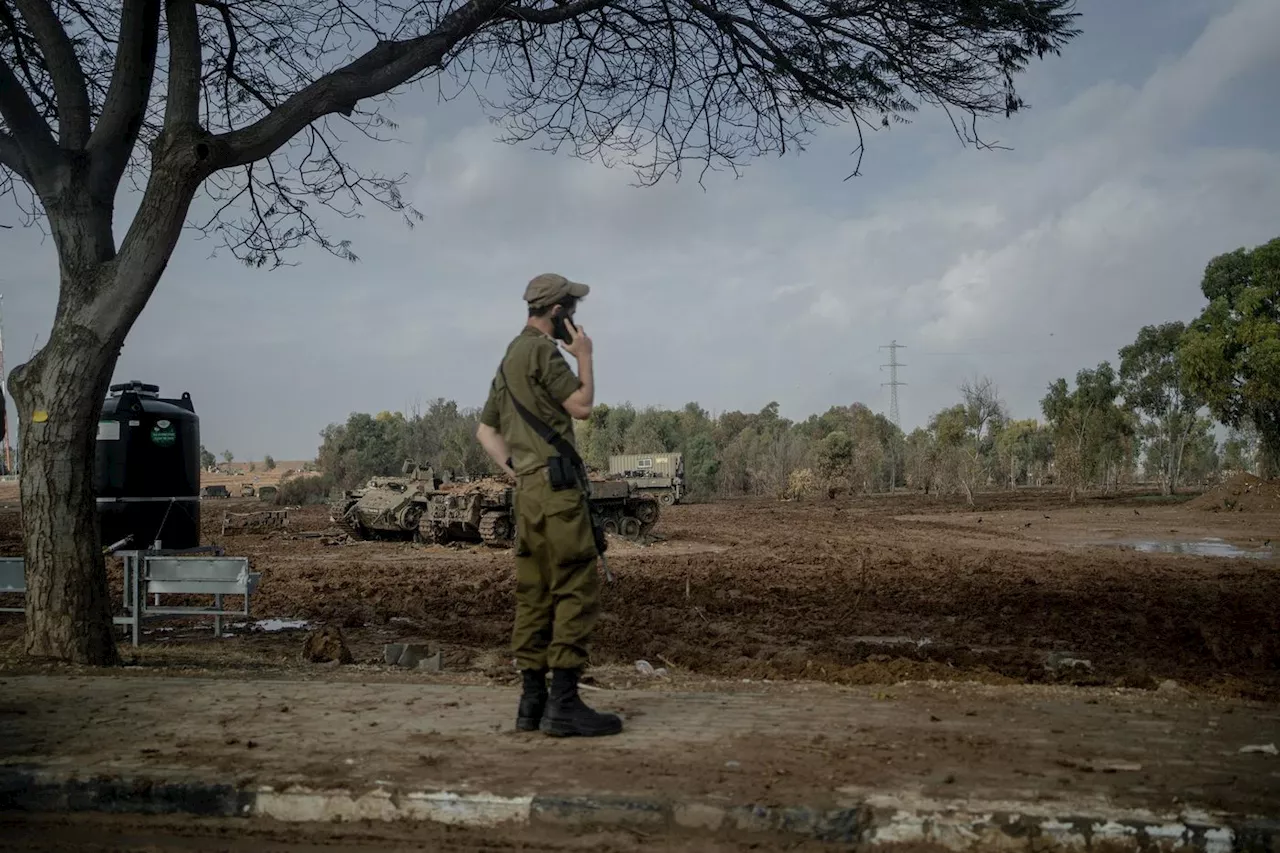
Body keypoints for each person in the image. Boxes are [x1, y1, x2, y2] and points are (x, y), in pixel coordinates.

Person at [475, 273, 622, 738]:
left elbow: (486, 432)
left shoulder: (509, 358)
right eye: (571, 311)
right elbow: (580, 405)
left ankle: (531, 702)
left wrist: (520, 472)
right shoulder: (543, 351)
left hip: (529, 495)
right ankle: (563, 704)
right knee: (574, 585)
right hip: (557, 492)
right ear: (558, 312)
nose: (575, 319)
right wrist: (585, 358)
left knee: (534, 591)